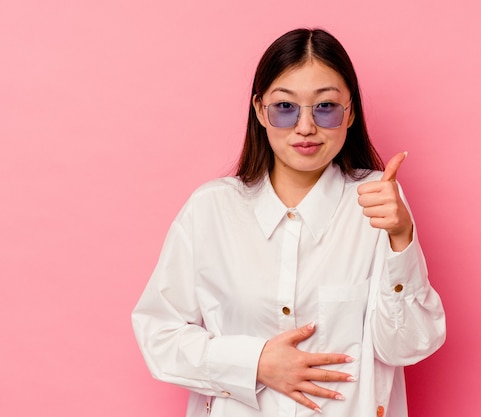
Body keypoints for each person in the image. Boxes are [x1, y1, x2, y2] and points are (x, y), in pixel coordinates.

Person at [132, 28, 446, 417]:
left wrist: (402, 238)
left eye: (325, 106)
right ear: (260, 110)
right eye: (285, 107)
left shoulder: (377, 203)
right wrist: (254, 363)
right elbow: (158, 334)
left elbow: (407, 345)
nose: (305, 127)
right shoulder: (211, 209)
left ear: (350, 112)